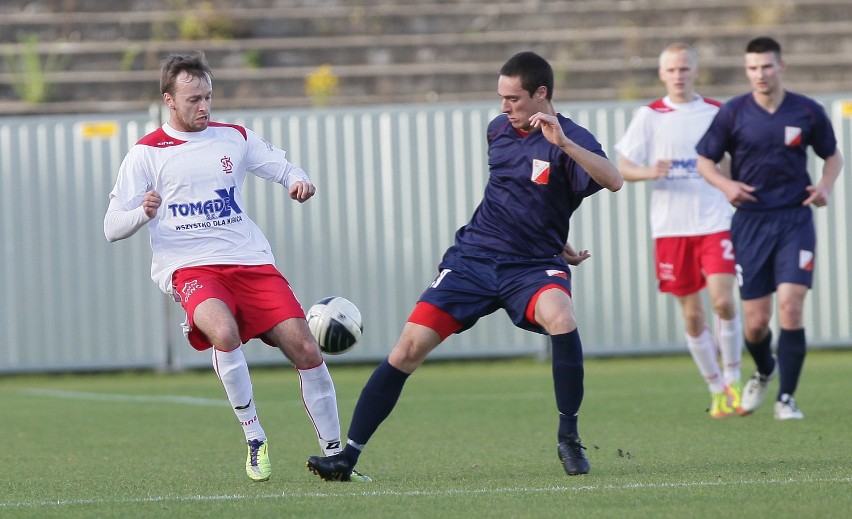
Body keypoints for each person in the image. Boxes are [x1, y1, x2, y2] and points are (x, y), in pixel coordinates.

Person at [305, 51, 623, 482]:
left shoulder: (573, 138)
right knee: (406, 349)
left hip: (530, 268)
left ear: (541, 94)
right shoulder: (498, 131)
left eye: (513, 98)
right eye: (501, 97)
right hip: (472, 260)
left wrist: (563, 144)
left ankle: (568, 437)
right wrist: (558, 236)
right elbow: (517, 193)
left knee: (561, 318)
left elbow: (614, 178)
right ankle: (348, 456)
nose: (503, 107)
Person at [103, 52, 363, 482]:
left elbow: (282, 166)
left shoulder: (234, 137)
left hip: (251, 263)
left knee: (306, 348)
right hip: (191, 268)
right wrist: (142, 214)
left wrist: (297, 180)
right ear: (169, 99)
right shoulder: (146, 155)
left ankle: (336, 457)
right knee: (222, 331)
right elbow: (112, 227)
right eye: (193, 100)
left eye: (207, 97)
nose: (203, 107)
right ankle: (255, 436)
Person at [696, 37, 843, 420]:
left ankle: (787, 399)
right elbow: (704, 161)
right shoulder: (733, 113)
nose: (760, 74)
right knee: (758, 322)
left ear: (781, 66)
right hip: (751, 223)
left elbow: (832, 155)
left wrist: (825, 187)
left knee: (791, 308)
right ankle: (764, 370)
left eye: (766, 66)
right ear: (748, 71)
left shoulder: (807, 111)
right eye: (753, 68)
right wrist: (726, 185)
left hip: (795, 219)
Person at [614, 43, 744, 418]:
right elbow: (622, 167)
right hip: (671, 229)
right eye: (671, 70)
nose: (678, 75)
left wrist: (735, 190)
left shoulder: (718, 112)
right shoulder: (649, 116)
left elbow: (734, 163)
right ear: (662, 74)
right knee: (692, 316)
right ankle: (716, 388)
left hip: (715, 221)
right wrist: (649, 171)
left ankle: (734, 378)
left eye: (684, 69)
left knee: (722, 301)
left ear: (694, 71)